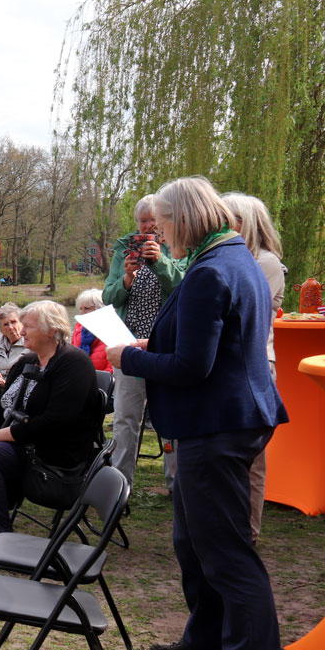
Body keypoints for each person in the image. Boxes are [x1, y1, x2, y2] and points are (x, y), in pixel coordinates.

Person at [106, 176, 287, 650]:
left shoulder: (213, 270)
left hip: (219, 423)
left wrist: (131, 357)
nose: (158, 234)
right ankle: (208, 640)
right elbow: (209, 342)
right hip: (218, 420)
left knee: (225, 547)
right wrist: (154, 339)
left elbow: (193, 366)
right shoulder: (232, 259)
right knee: (192, 539)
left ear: (184, 219)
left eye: (163, 224)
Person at [0, 300, 99, 550]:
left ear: (51, 330)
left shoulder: (74, 364)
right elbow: (3, 407)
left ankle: (0, 536)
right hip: (24, 443)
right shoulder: (27, 361)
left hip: (55, 454)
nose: (21, 331)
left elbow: (53, 423)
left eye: (28, 326)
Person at [102, 194, 185, 490]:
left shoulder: (179, 246)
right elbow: (107, 297)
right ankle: (120, 484)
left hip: (166, 347)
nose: (149, 227)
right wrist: (126, 278)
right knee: (125, 417)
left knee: (172, 415)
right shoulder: (124, 248)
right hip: (128, 346)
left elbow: (184, 289)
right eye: (143, 221)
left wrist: (161, 262)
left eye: (154, 221)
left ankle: (176, 483)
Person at [222, 192, 287, 543]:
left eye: (228, 218)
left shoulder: (264, 263)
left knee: (251, 459)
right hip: (234, 368)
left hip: (255, 367)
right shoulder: (233, 259)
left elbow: (249, 319)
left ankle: (248, 532)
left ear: (244, 223)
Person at [72, 288, 112, 372]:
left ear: (101, 309)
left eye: (87, 308)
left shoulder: (112, 334)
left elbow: (112, 370)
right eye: (81, 309)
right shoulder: (78, 331)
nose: (82, 313)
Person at [0, 302, 26, 387]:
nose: (11, 327)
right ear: (1, 329)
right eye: (6, 324)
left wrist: (8, 384)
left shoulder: (30, 343)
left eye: (13, 322)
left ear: (22, 323)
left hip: (20, 387)